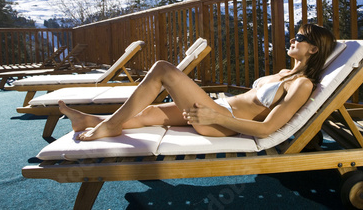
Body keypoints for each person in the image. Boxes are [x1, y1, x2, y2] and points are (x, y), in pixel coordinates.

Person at [59, 23, 336, 141]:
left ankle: (108, 125)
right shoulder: (283, 73)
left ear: (313, 49)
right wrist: (215, 108)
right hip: (218, 109)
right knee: (148, 114)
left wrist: (213, 115)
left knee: (163, 70)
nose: (292, 39)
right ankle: (87, 121)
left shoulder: (303, 85)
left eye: (299, 37)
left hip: (220, 122)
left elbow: (266, 129)